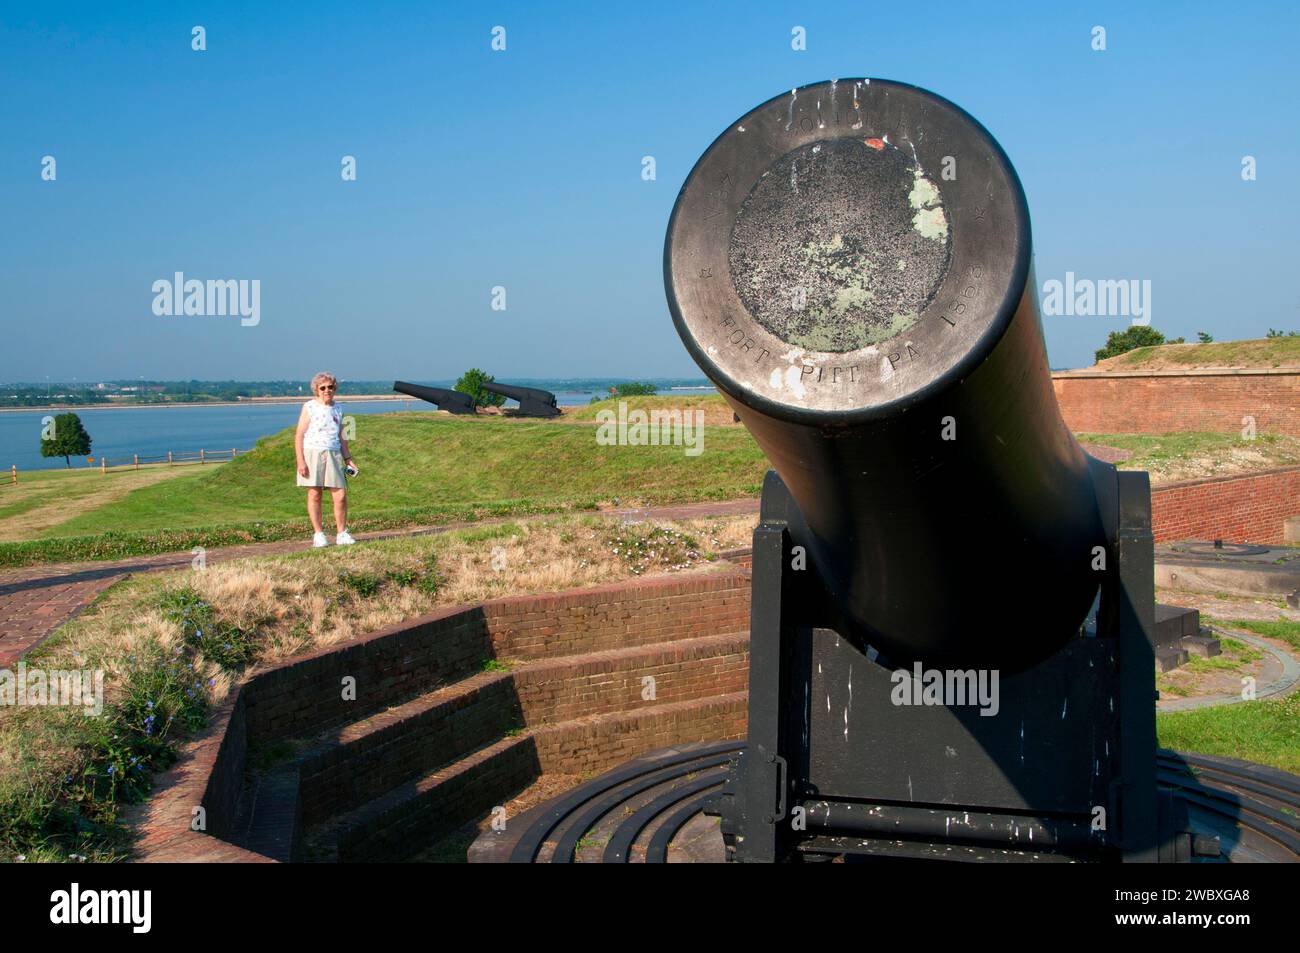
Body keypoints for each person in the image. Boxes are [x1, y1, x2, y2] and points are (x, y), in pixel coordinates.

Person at [295, 372, 358, 547]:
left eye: (330, 387)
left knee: (340, 494)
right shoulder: (309, 407)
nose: (327, 390)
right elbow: (299, 435)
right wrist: (300, 460)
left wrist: (348, 459)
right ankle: (318, 534)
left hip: (334, 453)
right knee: (315, 494)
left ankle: (341, 533)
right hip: (312, 452)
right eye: (322, 387)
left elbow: (342, 436)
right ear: (316, 389)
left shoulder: (338, 408)